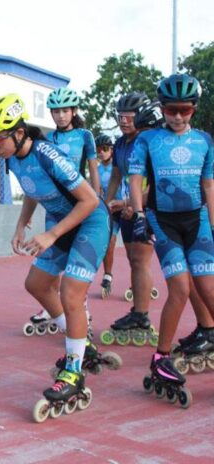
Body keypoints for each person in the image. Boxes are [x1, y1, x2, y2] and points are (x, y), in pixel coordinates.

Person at [0, 94, 111, 420]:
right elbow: (32, 193)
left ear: (19, 133)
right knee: (36, 284)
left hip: (89, 223)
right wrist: (21, 225)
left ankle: (74, 371)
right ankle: (81, 343)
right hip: (61, 226)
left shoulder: (48, 153)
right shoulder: (13, 158)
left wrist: (50, 234)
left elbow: (90, 200)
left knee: (71, 292)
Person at [129, 74, 214, 407]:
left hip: (197, 221)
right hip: (162, 221)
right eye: (171, 110)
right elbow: (136, 180)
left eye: (185, 110)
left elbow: (208, 188)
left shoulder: (205, 141)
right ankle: (160, 357)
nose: (178, 117)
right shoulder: (147, 140)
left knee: (208, 288)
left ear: (194, 108)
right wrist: (137, 215)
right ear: (161, 108)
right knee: (180, 287)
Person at [102, 93, 160, 345]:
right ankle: (138, 312)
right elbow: (116, 175)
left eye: (129, 117)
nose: (124, 121)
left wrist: (130, 205)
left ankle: (142, 314)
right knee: (134, 261)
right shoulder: (121, 144)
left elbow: (157, 184)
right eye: (120, 116)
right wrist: (108, 201)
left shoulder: (149, 142)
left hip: (146, 209)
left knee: (141, 260)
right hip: (125, 209)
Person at [46, 88, 100, 192]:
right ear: (51, 113)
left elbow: (93, 169)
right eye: (56, 112)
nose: (61, 116)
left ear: (74, 111)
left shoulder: (85, 135)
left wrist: (97, 199)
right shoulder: (48, 137)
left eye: (65, 111)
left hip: (80, 194)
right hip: (57, 195)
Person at [95, 134, 119, 298]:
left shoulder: (119, 166)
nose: (101, 153)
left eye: (104, 149)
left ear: (111, 150)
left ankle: (138, 280)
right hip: (109, 211)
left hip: (124, 209)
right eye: (98, 150)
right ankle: (108, 276)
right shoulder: (96, 169)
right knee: (109, 245)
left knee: (134, 253)